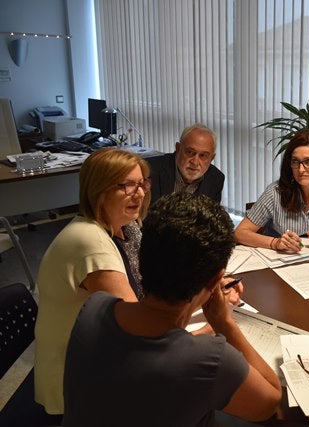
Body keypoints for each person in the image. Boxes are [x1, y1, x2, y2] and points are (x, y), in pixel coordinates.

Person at [63, 193, 281, 426]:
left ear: (141, 257)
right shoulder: (209, 360)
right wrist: (222, 322)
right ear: (216, 279)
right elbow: (270, 402)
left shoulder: (94, 307)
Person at [34, 148, 151, 415]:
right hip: (74, 383)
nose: (139, 193)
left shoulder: (123, 229)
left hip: (96, 355)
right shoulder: (90, 241)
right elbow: (140, 329)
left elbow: (148, 284)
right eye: (127, 185)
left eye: (141, 184)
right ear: (99, 190)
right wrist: (210, 319)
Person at [148, 123, 225, 203]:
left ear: (211, 158)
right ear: (178, 148)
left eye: (203, 155)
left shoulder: (216, 179)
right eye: (190, 152)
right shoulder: (150, 170)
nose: (195, 162)